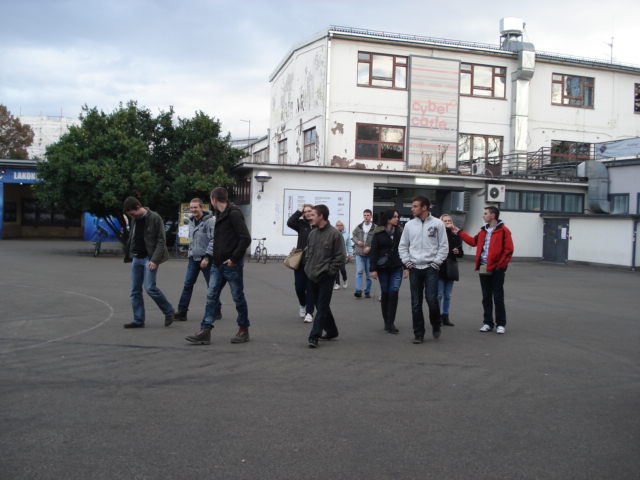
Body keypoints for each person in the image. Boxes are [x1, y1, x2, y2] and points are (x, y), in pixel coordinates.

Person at [186, 187, 252, 345]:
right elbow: (218, 240)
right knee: (211, 296)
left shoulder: (234, 214)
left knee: (237, 297)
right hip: (217, 264)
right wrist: (211, 258)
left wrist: (234, 259)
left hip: (231, 265)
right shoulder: (219, 214)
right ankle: (205, 330)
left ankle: (243, 329)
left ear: (213, 199)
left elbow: (245, 238)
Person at [452, 206, 514, 334]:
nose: (483, 215)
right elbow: (473, 242)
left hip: (497, 269)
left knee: (498, 297)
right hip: (483, 267)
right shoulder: (483, 231)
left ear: (493, 215)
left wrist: (500, 266)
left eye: (485, 213)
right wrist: (459, 232)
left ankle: (500, 324)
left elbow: (509, 250)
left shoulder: (504, 230)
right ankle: (487, 323)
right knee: (486, 297)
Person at [398, 196, 449, 344]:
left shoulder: (438, 224)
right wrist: (407, 262)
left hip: (431, 267)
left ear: (424, 207)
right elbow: (403, 246)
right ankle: (418, 334)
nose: (412, 209)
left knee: (432, 300)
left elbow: (444, 246)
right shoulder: (409, 225)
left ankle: (436, 324)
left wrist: (436, 262)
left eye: (415, 206)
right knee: (416, 303)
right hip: (414, 268)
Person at [122, 196, 175, 328]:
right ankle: (138, 320)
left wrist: (155, 260)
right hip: (136, 258)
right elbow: (134, 237)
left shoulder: (155, 218)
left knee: (150, 288)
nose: (132, 216)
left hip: (149, 259)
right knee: (134, 290)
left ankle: (169, 311)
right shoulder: (134, 219)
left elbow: (161, 241)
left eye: (132, 214)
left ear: (138, 207)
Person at [304, 204, 346, 348]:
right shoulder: (312, 233)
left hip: (326, 276)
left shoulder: (335, 234)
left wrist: (330, 271)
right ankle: (332, 330)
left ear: (321, 216)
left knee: (321, 306)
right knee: (321, 305)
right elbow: (308, 253)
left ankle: (314, 336)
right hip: (312, 275)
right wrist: (307, 268)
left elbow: (341, 256)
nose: (310, 217)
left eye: (313, 215)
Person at [174, 198, 222, 322]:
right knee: (187, 284)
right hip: (193, 258)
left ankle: (217, 310)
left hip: (206, 259)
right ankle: (182, 312)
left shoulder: (210, 221)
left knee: (211, 286)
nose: (193, 210)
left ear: (201, 207)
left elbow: (214, 239)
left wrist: (207, 257)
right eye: (191, 207)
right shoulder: (190, 221)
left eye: (195, 207)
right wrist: (190, 252)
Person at [369, 209, 406, 334]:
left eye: (397, 216)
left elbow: (404, 249)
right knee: (385, 293)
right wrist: (373, 269)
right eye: (395, 216)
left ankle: (391, 322)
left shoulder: (400, 232)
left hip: (397, 267)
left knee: (393, 292)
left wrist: (406, 267)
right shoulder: (378, 233)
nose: (397, 219)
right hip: (383, 268)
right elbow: (373, 252)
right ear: (388, 218)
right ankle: (386, 321)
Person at [286, 204, 315, 323]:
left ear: (314, 212)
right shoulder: (301, 225)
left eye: (309, 211)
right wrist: (299, 211)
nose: (307, 213)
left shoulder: (318, 226)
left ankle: (309, 312)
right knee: (299, 287)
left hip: (313, 262)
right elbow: (290, 222)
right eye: (305, 211)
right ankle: (302, 304)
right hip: (300, 261)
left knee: (310, 288)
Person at [437, 214, 464, 327]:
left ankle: (445, 316)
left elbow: (461, 253)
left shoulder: (455, 235)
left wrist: (458, 252)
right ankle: (437, 317)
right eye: (445, 221)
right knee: (439, 295)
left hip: (450, 267)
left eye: (449, 221)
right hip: (440, 267)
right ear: (441, 223)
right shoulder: (438, 235)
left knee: (448, 295)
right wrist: (447, 230)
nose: (448, 222)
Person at [351, 209, 376, 298]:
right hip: (359, 253)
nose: (366, 217)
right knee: (359, 271)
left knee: (369, 275)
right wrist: (357, 241)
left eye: (368, 215)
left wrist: (370, 247)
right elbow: (353, 235)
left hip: (370, 255)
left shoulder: (375, 228)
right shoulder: (359, 227)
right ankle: (358, 290)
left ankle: (367, 291)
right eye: (365, 215)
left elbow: (378, 240)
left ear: (371, 216)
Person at [334, 220, 352, 290]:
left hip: (342, 254)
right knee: (335, 270)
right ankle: (337, 283)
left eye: (341, 225)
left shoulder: (346, 234)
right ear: (336, 226)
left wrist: (350, 253)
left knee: (342, 269)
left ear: (343, 226)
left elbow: (349, 245)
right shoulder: (333, 233)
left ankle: (345, 279)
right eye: (338, 225)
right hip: (334, 254)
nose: (339, 226)